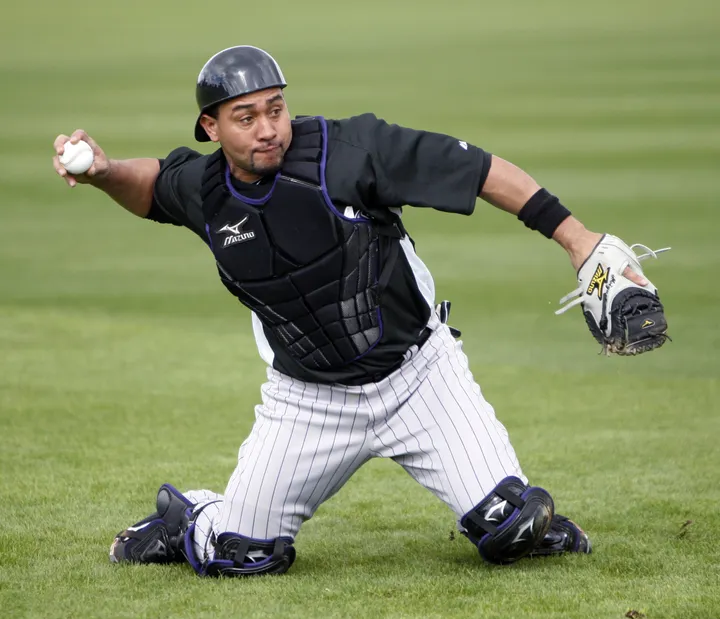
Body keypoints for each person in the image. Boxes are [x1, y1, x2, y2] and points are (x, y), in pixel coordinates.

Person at [53, 44, 653, 577]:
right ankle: (192, 520)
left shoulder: (348, 151)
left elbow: (475, 170)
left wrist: (576, 240)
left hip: (420, 379)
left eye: (275, 108)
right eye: (245, 117)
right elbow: (154, 184)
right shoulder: (206, 190)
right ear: (210, 127)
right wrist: (104, 173)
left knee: (508, 524)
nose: (267, 128)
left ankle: (519, 522)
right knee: (242, 553)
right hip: (306, 401)